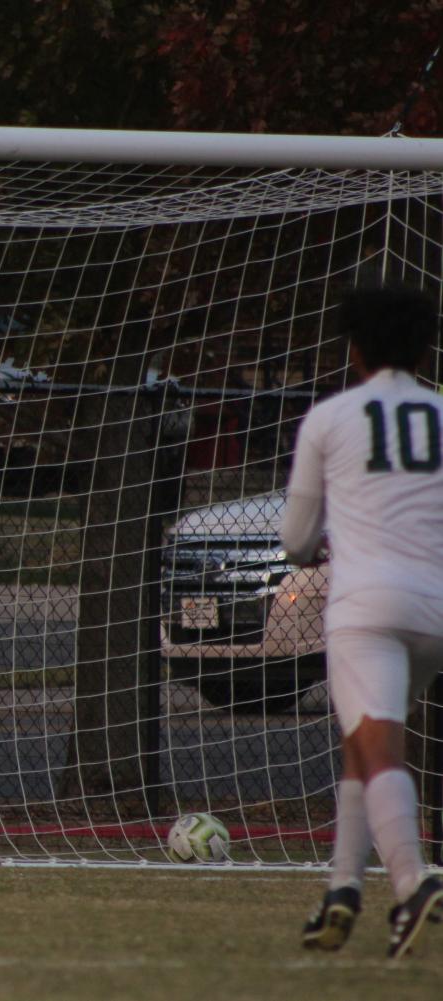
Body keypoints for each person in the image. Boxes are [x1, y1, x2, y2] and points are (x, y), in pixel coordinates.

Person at [284, 284, 443, 958]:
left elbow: (294, 540)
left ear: (352, 349)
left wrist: (327, 535)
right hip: (434, 608)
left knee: (377, 745)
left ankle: (411, 878)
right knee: (361, 739)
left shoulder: (330, 417)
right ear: (424, 346)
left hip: (365, 609)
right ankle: (342, 887)